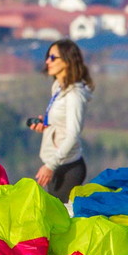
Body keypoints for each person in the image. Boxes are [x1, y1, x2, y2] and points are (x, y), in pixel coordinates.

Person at [28, 39, 94, 202]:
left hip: (67, 167)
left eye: (53, 58)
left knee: (62, 220)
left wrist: (50, 166)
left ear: (67, 60)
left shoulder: (74, 95)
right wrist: (46, 125)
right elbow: (62, 122)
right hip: (56, 164)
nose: (47, 61)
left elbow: (72, 135)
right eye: (47, 57)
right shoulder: (58, 86)